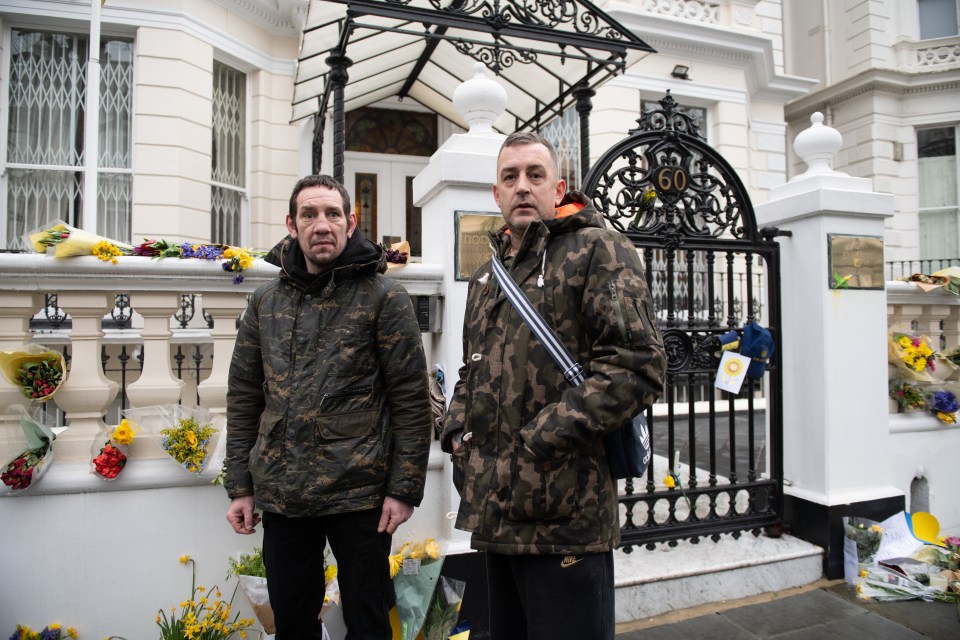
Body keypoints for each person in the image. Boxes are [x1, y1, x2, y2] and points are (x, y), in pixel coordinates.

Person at [441, 132, 666, 640]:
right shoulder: (486, 278)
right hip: (495, 513)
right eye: (510, 177)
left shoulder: (598, 251)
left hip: (567, 519)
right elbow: (471, 371)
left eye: (535, 175)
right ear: (496, 195)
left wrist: (541, 439)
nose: (522, 186)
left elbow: (637, 365)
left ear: (558, 188)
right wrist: (456, 430)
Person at [224, 174, 433, 639]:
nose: (322, 225)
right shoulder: (265, 303)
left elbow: (410, 402)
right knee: (293, 622)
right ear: (291, 225)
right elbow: (243, 399)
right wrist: (240, 485)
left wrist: (404, 489)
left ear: (351, 223)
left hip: (361, 495)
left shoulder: (384, 298)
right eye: (310, 215)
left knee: (367, 620)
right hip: (283, 493)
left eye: (333, 214)